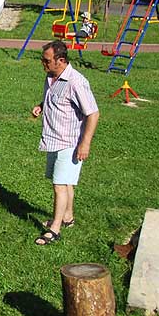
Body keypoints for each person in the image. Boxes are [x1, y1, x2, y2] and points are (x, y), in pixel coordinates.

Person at [31, 40, 99, 246]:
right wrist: (41, 106)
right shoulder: (51, 77)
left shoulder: (76, 82)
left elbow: (93, 114)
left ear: (60, 60)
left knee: (59, 185)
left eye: (46, 60)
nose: (43, 63)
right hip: (53, 139)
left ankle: (54, 229)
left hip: (69, 142)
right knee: (65, 182)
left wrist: (85, 144)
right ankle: (67, 217)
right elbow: (56, 99)